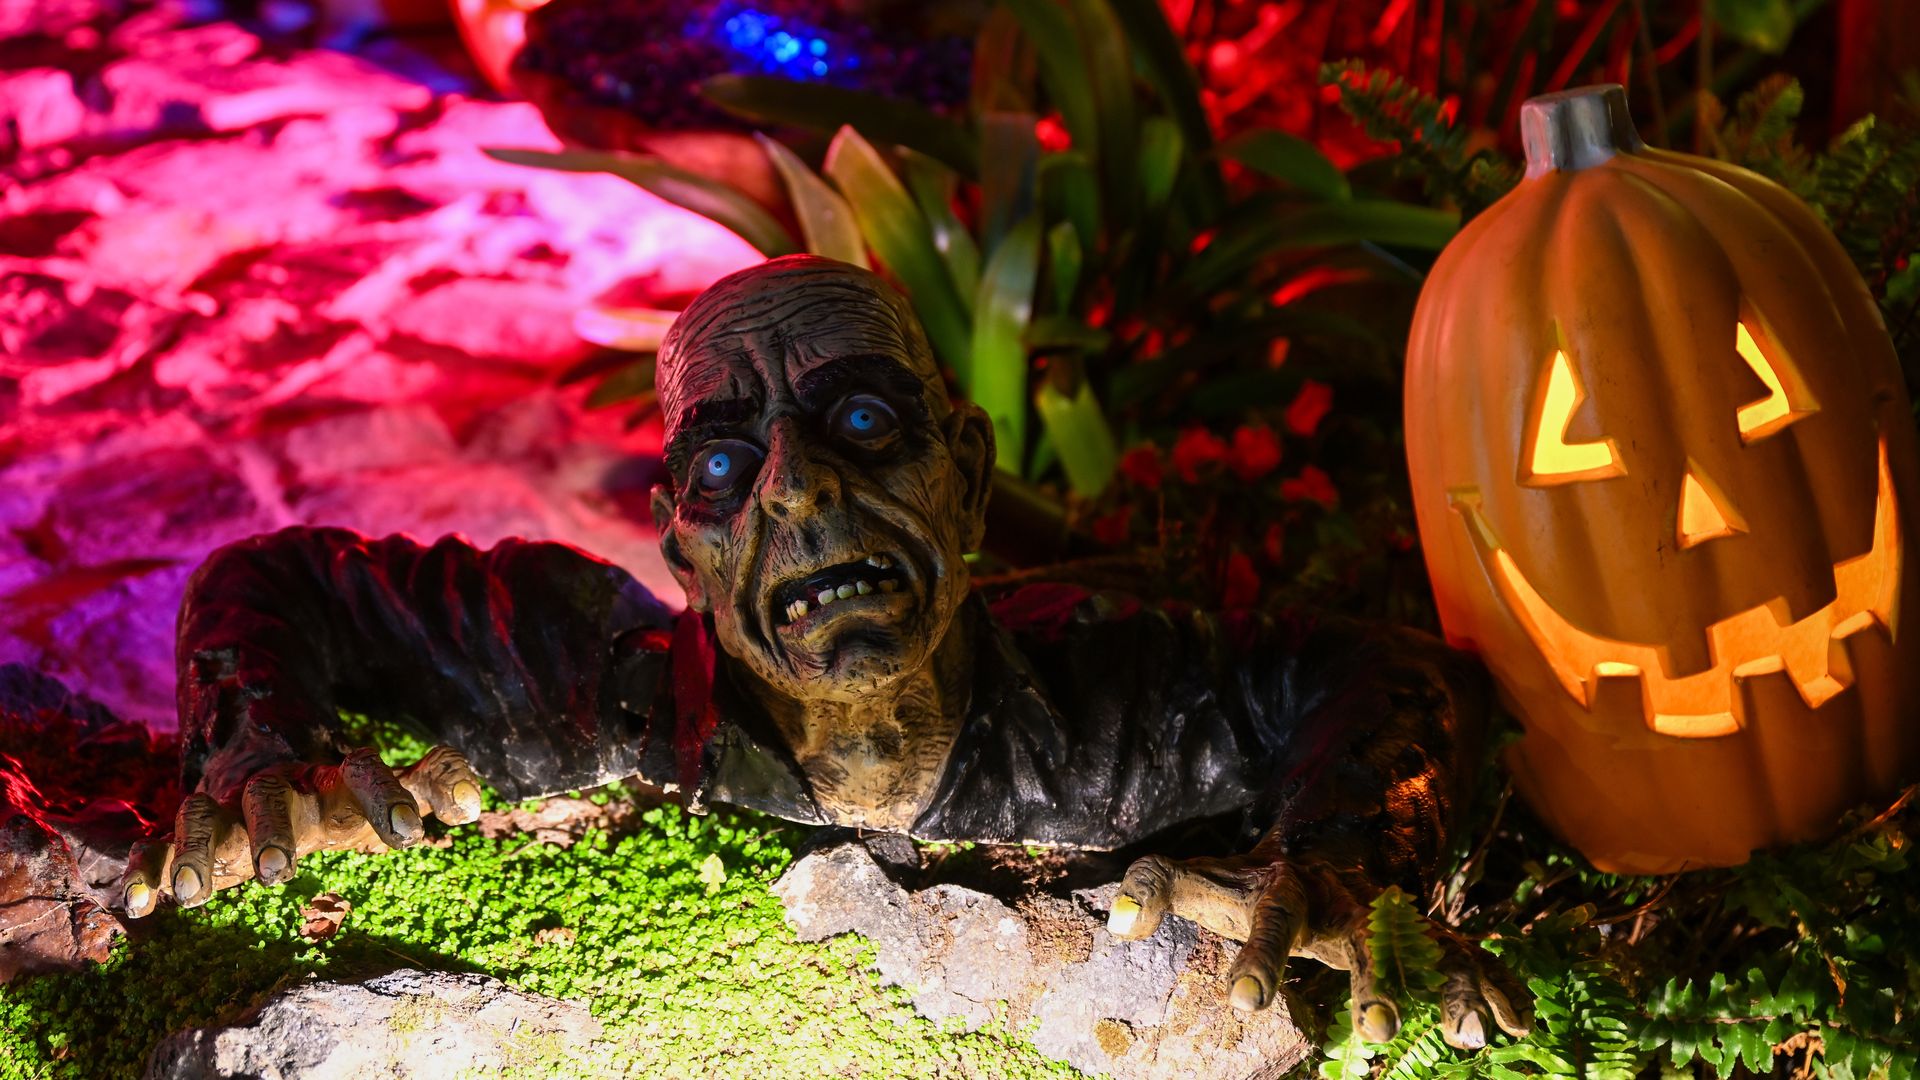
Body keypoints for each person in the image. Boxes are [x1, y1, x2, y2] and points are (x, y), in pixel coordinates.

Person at [123, 256, 1528, 1049]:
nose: (797, 492)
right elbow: (275, 582)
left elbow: (1390, 676)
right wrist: (260, 749)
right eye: (731, 462)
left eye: (861, 425)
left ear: (965, 480)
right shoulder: (590, 692)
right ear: (681, 544)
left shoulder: (1116, 713)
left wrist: (1359, 857)